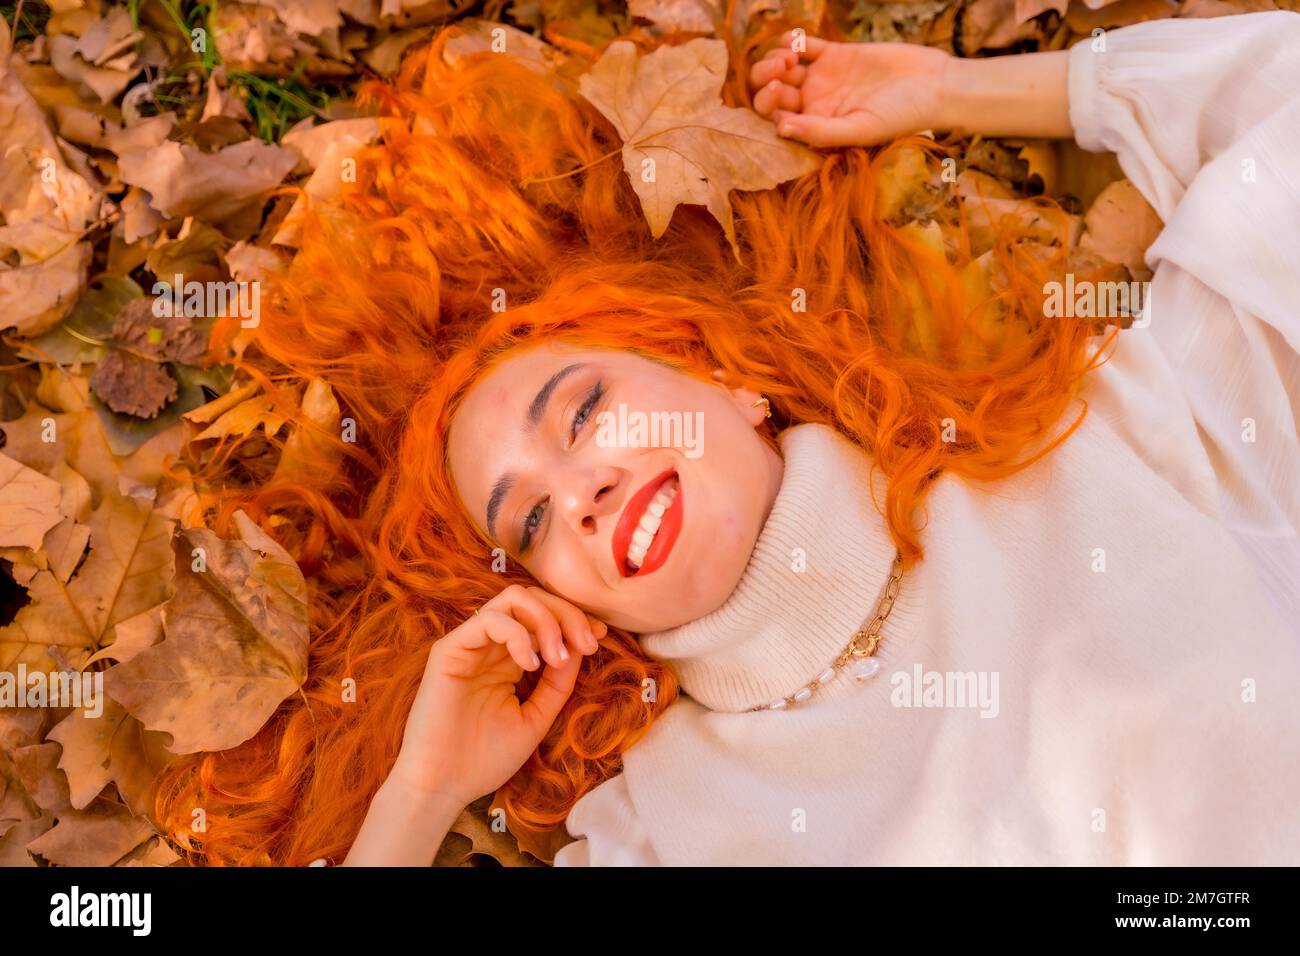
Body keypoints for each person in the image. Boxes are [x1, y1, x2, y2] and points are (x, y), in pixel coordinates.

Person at [158, 11, 1300, 867]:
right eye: (535, 519)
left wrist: (956, 88)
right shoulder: (666, 827)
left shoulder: (1098, 438)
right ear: (569, 606)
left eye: (586, 411)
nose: (586, 489)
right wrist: (421, 791)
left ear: (731, 377)